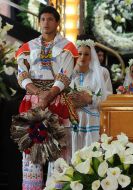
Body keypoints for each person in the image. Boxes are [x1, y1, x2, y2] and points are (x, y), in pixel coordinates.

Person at [15, 6, 78, 190]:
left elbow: (64, 75)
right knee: (30, 149)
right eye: (43, 19)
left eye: (50, 19)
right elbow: (21, 74)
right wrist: (36, 92)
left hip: (56, 100)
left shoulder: (67, 47)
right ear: (39, 22)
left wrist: (49, 95)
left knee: (58, 149)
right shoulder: (28, 47)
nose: (46, 23)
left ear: (57, 23)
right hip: (33, 100)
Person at [69, 38, 110, 154]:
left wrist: (91, 99)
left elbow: (108, 99)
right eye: (79, 54)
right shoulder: (68, 73)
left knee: (91, 155)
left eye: (86, 54)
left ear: (92, 56)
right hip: (72, 121)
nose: (82, 57)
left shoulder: (101, 73)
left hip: (92, 121)